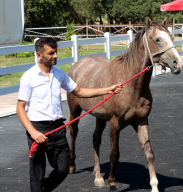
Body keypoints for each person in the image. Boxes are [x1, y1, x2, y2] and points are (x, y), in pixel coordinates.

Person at [17, 38, 123, 192]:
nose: (55, 55)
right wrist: (33, 132)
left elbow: (79, 91)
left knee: (64, 167)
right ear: (39, 55)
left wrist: (108, 90)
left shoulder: (59, 74)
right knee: (37, 172)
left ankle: (41, 189)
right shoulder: (29, 77)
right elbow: (20, 108)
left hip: (58, 127)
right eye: (51, 53)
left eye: (56, 51)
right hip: (38, 128)